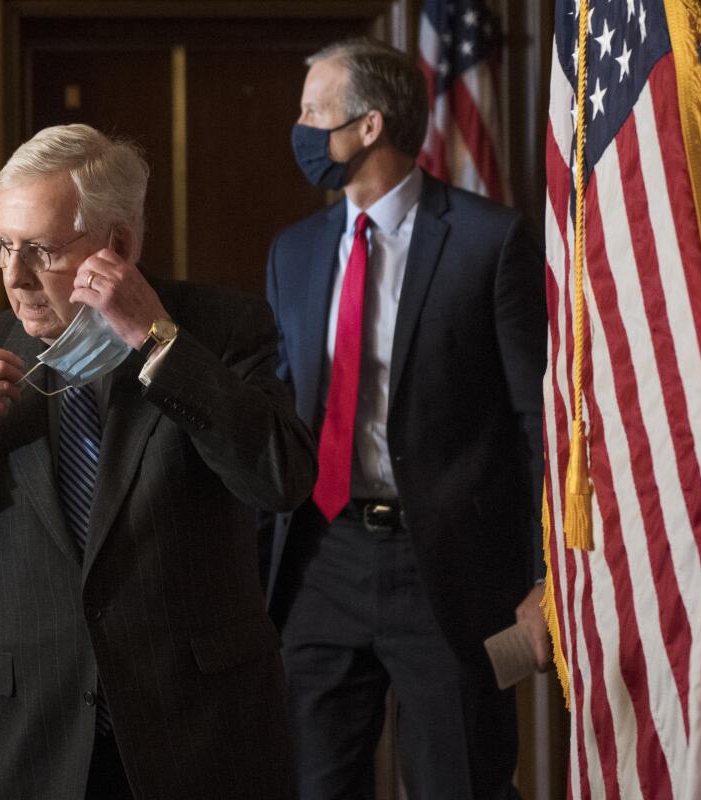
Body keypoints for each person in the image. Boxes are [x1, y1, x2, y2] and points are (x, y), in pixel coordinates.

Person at [0, 123, 314, 800]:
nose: (14, 277)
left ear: (117, 246)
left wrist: (159, 345)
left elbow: (281, 479)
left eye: (40, 250)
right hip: (40, 747)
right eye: (3, 246)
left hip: (198, 738)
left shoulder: (224, 331)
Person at [264, 38, 549, 799]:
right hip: (322, 559)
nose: (298, 128)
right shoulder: (292, 253)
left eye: (312, 112)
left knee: (460, 781)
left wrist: (549, 575)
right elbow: (283, 415)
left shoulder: (490, 241)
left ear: (368, 126)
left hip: (450, 570)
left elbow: (538, 422)